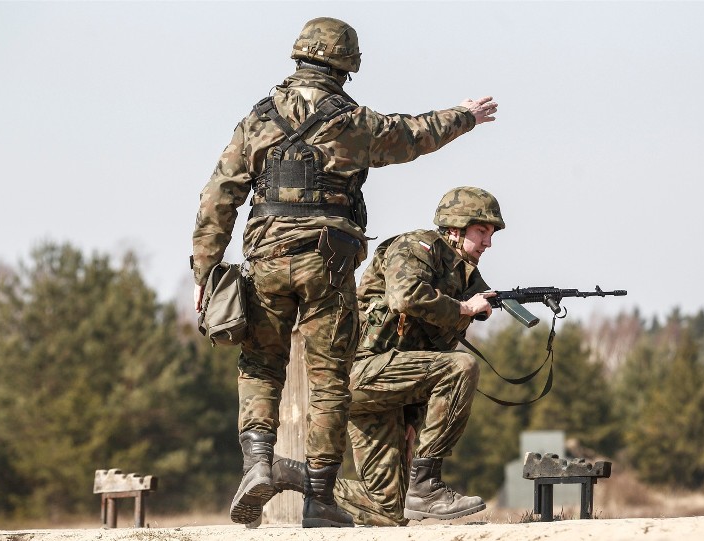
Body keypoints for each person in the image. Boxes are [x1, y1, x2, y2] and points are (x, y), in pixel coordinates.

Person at [190, 17, 498, 528]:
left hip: (265, 258)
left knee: (262, 365)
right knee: (330, 379)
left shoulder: (257, 119)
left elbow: (220, 194)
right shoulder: (354, 123)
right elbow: (414, 134)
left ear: (299, 58)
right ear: (346, 66)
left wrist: (204, 268)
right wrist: (465, 116)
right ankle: (318, 498)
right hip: (328, 265)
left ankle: (258, 463)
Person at [260, 186, 505, 526]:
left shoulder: (465, 278)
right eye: (481, 232)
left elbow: (431, 355)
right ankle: (427, 486)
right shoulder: (416, 247)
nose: (487, 243)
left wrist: (412, 419)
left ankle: (286, 474)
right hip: (357, 373)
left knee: (389, 510)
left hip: (390, 386)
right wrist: (464, 308)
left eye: (491, 235)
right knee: (462, 365)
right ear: (455, 226)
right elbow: (405, 297)